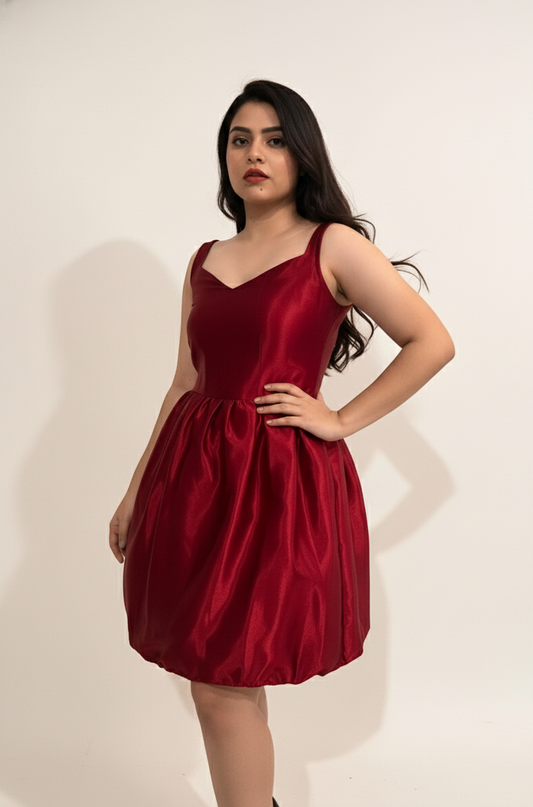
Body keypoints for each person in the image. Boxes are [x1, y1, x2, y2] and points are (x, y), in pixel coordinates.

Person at [109, 79, 455, 807]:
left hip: (275, 485)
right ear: (224, 159)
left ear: (301, 153)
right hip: (195, 481)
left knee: (224, 678)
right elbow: (182, 381)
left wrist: (340, 418)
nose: (254, 154)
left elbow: (431, 341)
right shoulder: (204, 258)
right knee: (218, 675)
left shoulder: (334, 246)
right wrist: (136, 489)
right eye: (239, 140)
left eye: (271, 139)